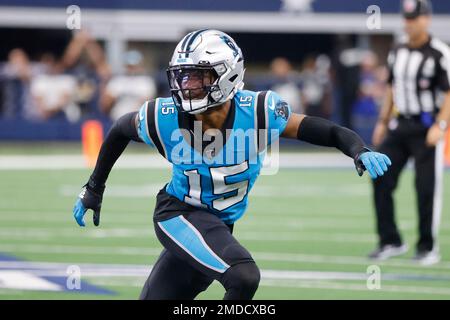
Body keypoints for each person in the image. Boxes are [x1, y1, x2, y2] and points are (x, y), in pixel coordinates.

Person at [72, 29, 391, 300]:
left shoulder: (259, 112)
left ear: (227, 75)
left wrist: (358, 149)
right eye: (183, 76)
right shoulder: (164, 116)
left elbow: (323, 129)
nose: (187, 85)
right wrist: (94, 189)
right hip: (178, 214)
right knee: (243, 276)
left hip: (217, 224)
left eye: (198, 76)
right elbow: (118, 131)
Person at [370, 0, 450, 265]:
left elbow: (449, 93)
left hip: (426, 126)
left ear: (426, 19)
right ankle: (390, 240)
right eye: (406, 19)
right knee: (380, 175)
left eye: (414, 18)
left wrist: (440, 125)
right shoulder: (398, 51)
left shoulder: (439, 53)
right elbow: (391, 89)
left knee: (425, 187)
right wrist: (383, 122)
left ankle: (427, 247)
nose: (409, 23)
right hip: (399, 125)